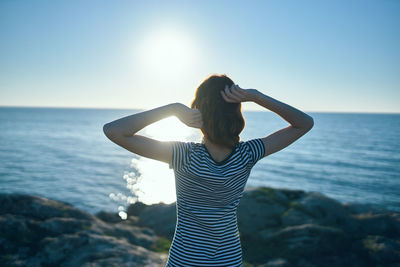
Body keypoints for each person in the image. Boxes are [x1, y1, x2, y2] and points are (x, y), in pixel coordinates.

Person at [103, 74, 314, 266]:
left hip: (184, 261)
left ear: (198, 112)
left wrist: (173, 109)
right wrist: (256, 97)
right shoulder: (248, 154)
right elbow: (304, 123)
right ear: (236, 113)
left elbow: (114, 131)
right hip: (228, 260)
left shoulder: (183, 155)